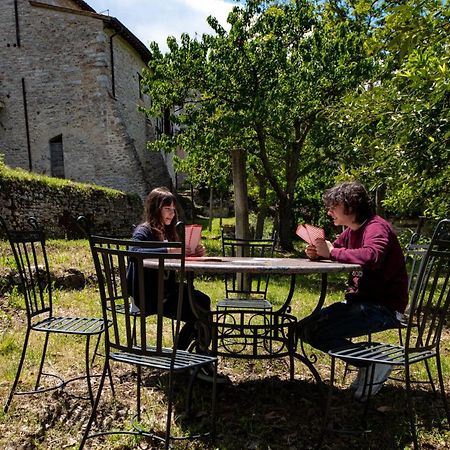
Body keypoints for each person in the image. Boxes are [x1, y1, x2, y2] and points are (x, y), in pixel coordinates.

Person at [298, 181, 408, 400]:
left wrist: (332, 253)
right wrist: (318, 252)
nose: (329, 211)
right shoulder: (351, 231)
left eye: (333, 206)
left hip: (382, 308)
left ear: (350, 206)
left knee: (316, 330)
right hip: (361, 304)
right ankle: (369, 364)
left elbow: (371, 256)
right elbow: (336, 249)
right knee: (305, 328)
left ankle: (372, 363)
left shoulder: (376, 227)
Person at [127, 187, 210, 352]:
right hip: (149, 297)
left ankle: (189, 355)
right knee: (199, 314)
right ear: (155, 208)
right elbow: (133, 253)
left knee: (203, 302)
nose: (171, 214)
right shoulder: (144, 231)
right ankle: (188, 357)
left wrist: (193, 251)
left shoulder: (169, 233)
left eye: (173, 210)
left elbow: (177, 258)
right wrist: (168, 250)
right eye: (167, 209)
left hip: (167, 291)